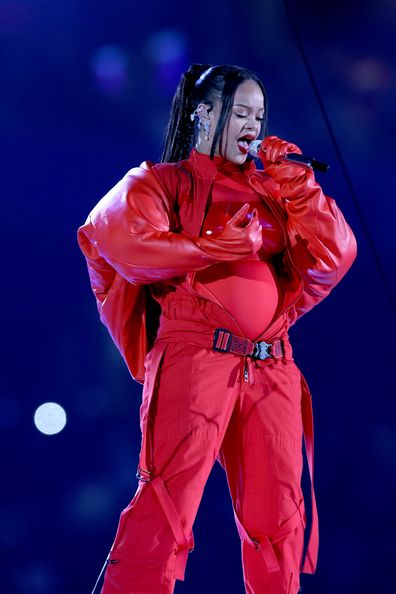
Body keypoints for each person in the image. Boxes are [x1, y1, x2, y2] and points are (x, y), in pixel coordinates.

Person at [78, 64, 357, 594]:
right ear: (203, 114)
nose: (254, 124)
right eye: (242, 113)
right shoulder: (162, 182)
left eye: (260, 114)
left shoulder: (276, 192)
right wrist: (207, 249)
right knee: (167, 501)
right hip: (196, 353)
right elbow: (115, 240)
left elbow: (337, 254)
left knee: (278, 515)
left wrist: (298, 185)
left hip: (271, 362)